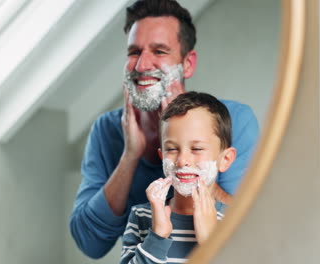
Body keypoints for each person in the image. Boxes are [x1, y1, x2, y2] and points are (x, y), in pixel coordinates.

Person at [70, 0, 259, 259]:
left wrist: (179, 130)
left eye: (159, 51)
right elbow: (90, 244)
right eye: (134, 52)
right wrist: (130, 156)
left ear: (188, 64)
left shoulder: (234, 120)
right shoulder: (107, 130)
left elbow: (251, 222)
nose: (141, 65)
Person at [120, 91, 236, 264]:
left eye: (196, 149)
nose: (182, 161)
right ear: (161, 156)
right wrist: (158, 236)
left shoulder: (236, 221)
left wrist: (211, 242)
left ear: (225, 159)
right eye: (172, 149)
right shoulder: (142, 216)